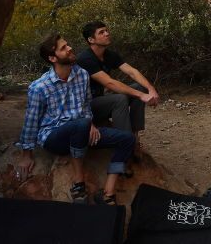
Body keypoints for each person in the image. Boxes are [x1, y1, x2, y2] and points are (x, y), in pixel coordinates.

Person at [16, 33, 134, 205]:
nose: (70, 48)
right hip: (54, 137)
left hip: (82, 130)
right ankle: (78, 183)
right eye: (63, 48)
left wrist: (90, 123)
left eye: (67, 44)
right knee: (81, 124)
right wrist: (26, 154)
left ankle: (108, 193)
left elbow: (86, 105)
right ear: (52, 57)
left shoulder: (82, 75)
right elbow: (31, 121)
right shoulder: (39, 87)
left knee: (127, 139)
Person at [76, 21, 159, 158]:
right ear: (91, 40)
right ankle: (125, 147)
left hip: (100, 100)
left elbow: (132, 71)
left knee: (139, 87)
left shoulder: (109, 55)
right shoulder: (85, 59)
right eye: (101, 32)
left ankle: (134, 138)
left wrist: (150, 89)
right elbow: (109, 83)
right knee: (120, 98)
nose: (107, 33)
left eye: (106, 30)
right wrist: (141, 96)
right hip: (86, 108)